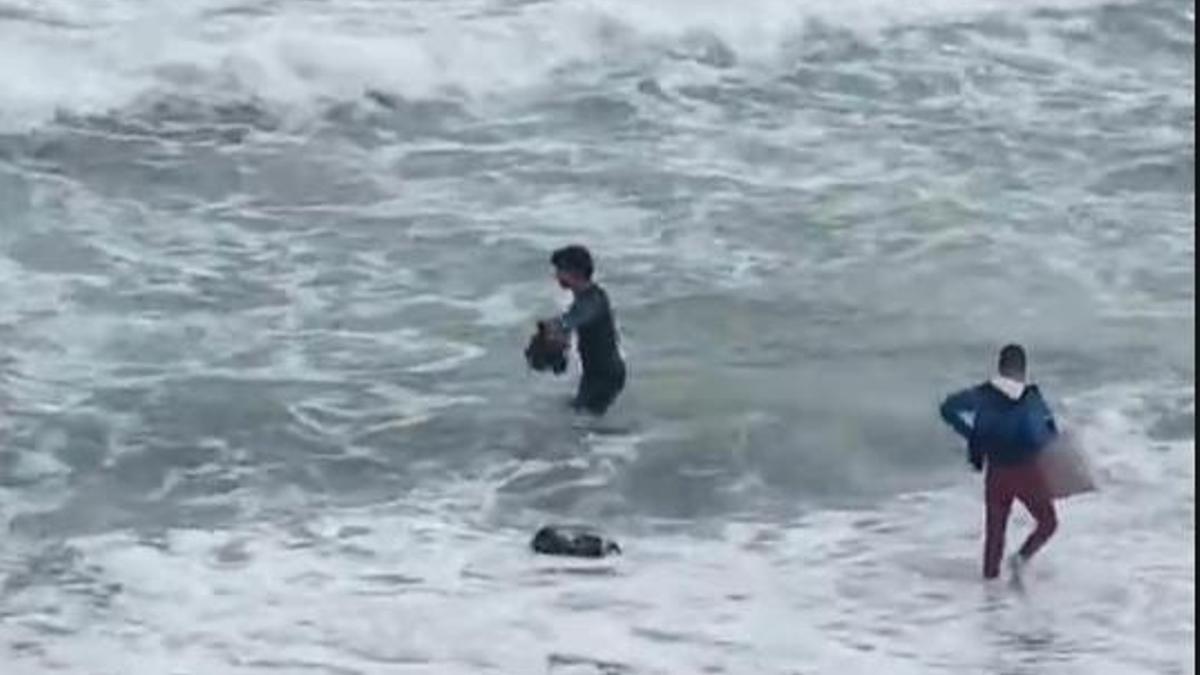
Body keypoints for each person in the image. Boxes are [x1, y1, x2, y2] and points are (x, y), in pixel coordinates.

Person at [939, 344, 1059, 582]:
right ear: (1022, 369)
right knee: (1048, 522)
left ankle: (990, 594)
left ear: (1000, 367)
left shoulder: (982, 394)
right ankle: (1020, 559)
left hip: (996, 473)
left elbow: (948, 408)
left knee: (995, 535)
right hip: (1027, 472)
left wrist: (972, 435)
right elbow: (1050, 434)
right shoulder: (1031, 397)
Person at [542, 245, 626, 416]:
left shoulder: (594, 299)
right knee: (578, 416)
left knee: (583, 422)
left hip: (605, 376)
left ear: (575, 272)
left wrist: (559, 325)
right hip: (595, 374)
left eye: (560, 270)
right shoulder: (583, 299)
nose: (557, 276)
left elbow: (581, 317)